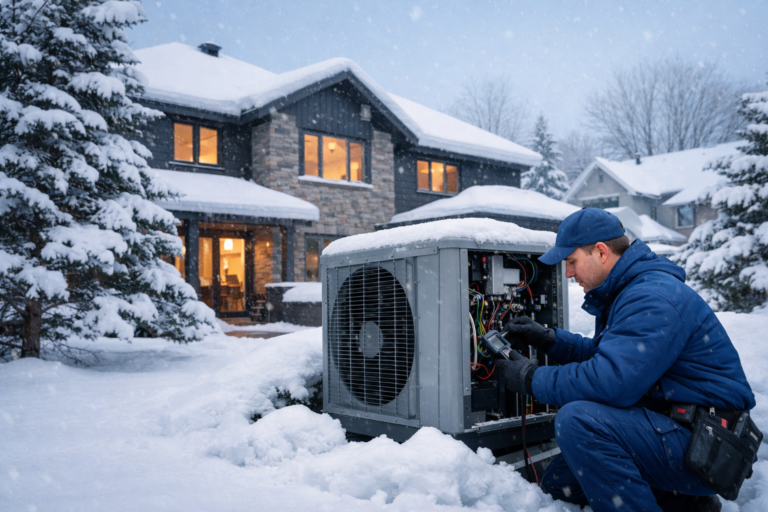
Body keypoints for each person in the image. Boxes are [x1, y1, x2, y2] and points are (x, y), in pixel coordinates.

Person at [497, 208, 755, 512]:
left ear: (601, 252)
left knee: (580, 423)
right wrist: (550, 340)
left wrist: (530, 378)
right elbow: (614, 359)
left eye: (571, 261)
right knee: (560, 482)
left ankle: (686, 494)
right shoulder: (632, 291)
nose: (568, 273)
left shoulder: (652, 297)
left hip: (709, 447)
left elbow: (612, 382)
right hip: (686, 431)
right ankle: (686, 503)